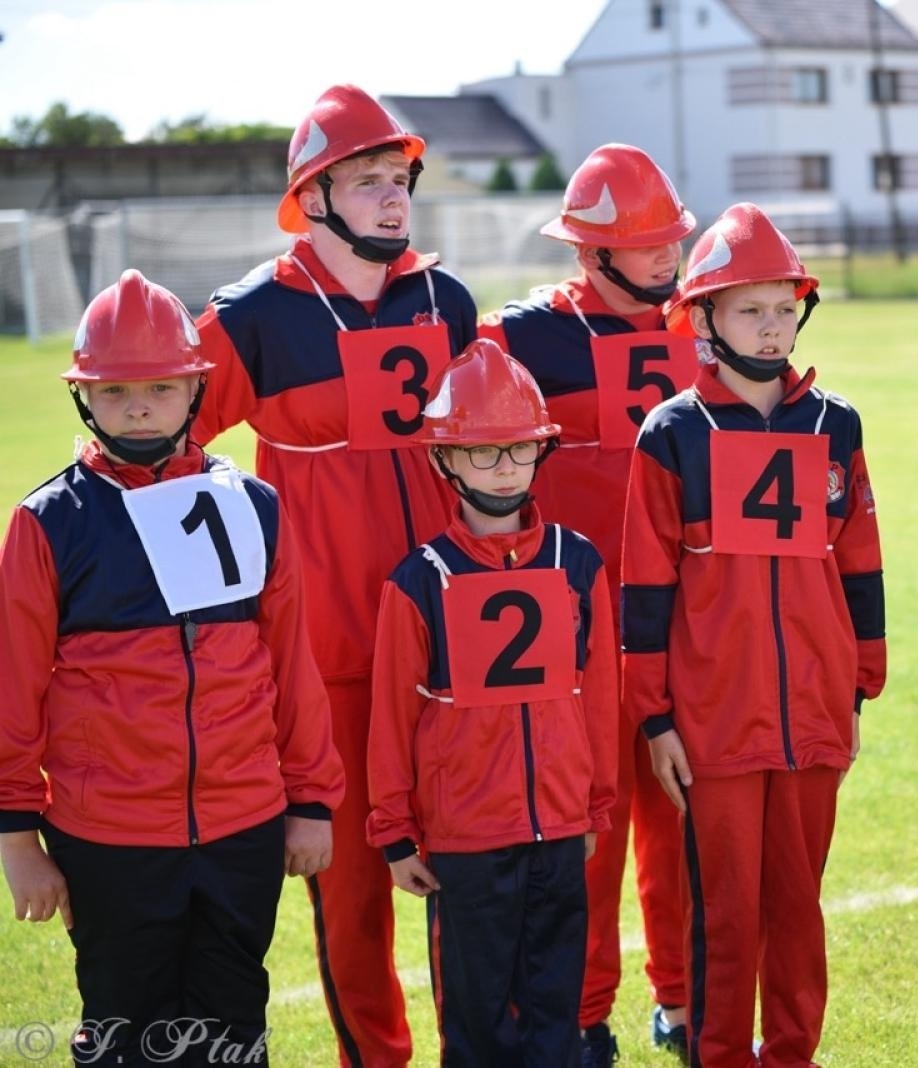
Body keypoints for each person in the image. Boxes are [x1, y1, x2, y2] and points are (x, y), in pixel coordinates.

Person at [190, 85, 478, 1066]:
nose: (393, 198)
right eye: (367, 181)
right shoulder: (253, 315)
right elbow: (160, 446)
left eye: (399, 180)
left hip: (457, 634)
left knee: (465, 872)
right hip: (328, 651)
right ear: (312, 197)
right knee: (352, 887)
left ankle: (471, 1050)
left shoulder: (449, 300)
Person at [0, 270, 345, 1065]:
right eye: (116, 391)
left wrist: (313, 800)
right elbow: (15, 690)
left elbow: (292, 664)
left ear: (197, 390)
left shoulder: (253, 504)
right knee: (127, 1030)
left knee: (232, 1028)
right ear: (86, 398)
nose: (140, 406)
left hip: (243, 829)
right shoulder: (47, 523)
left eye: (161, 386)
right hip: (109, 840)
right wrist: (18, 839)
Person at [623, 203, 886, 1068]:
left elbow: (861, 560)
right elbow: (648, 584)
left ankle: (794, 1055)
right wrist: (655, 715)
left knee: (798, 908)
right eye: (748, 310)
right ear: (703, 318)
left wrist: (858, 683)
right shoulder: (670, 435)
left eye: (783, 308)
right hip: (713, 721)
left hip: (813, 711)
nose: (771, 329)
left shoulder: (834, 424)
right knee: (726, 915)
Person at [480, 143, 696, 1064]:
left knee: (687, 824)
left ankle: (690, 1002)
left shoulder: (705, 322)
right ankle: (581, 1014)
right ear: (588, 249)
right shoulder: (520, 337)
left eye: (670, 238)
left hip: (684, 620)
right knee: (586, 836)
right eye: (643, 240)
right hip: (568, 630)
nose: (663, 254)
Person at [366, 338, 618, 1065]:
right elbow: (392, 715)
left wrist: (594, 804)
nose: (504, 466)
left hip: (560, 830)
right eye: (482, 451)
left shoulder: (579, 562)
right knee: (475, 1026)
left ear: (542, 451)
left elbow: (599, 697)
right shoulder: (419, 580)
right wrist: (393, 830)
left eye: (518, 448)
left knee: (554, 1015)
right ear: (443, 459)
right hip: (465, 842)